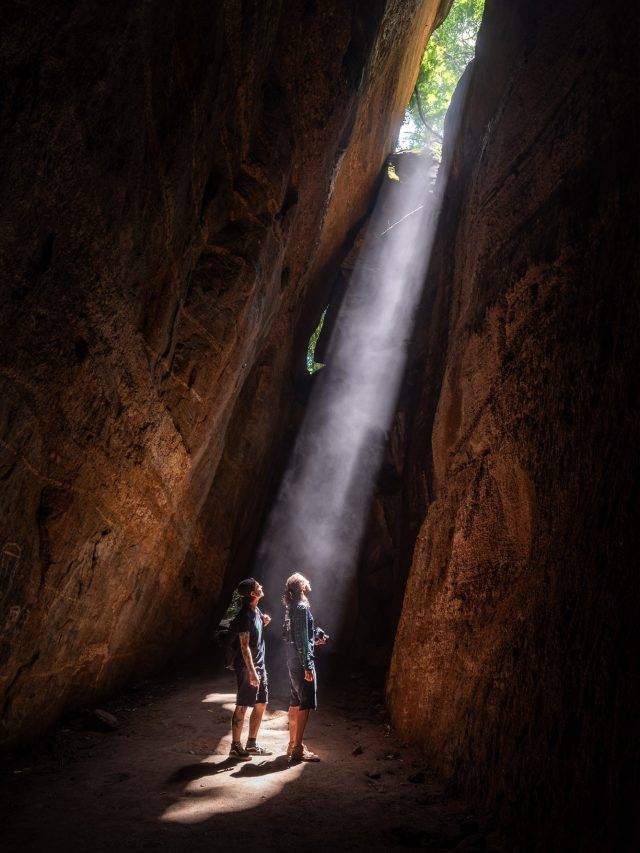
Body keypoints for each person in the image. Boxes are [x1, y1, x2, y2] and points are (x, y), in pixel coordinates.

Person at [283, 572, 327, 762]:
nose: (309, 582)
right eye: (305, 580)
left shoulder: (292, 607)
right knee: (304, 703)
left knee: (295, 701)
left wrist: (315, 637)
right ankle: (298, 749)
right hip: (301, 662)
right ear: (301, 586)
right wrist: (308, 666)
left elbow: (294, 635)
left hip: (293, 659)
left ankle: (292, 743)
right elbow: (301, 639)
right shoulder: (301, 607)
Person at [229, 578, 272, 760]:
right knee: (243, 704)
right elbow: (244, 646)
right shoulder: (244, 616)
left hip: (259, 665)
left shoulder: (256, 610)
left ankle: (251, 744)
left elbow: (256, 631)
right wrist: (252, 672)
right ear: (253, 594)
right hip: (249, 667)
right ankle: (235, 746)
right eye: (258, 586)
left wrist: (264, 621)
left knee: (261, 703)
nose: (261, 586)